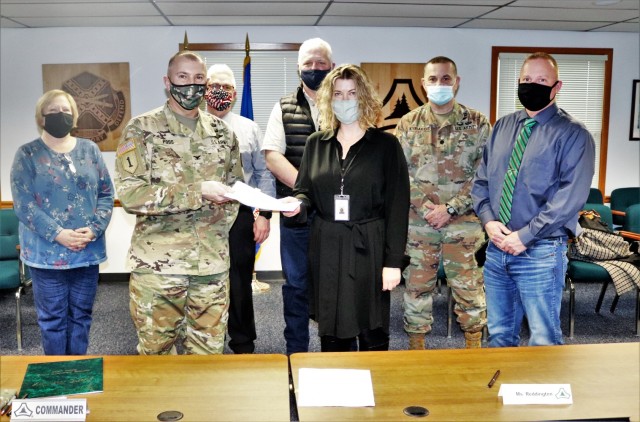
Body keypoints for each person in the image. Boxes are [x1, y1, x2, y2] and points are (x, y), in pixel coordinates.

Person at [115, 51, 243, 355]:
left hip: (211, 267)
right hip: (159, 269)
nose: (191, 85)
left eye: (199, 78)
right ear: (167, 81)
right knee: (156, 356)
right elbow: (131, 195)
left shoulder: (223, 133)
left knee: (208, 357)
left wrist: (216, 230)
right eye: (183, 77)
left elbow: (234, 190)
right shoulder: (140, 130)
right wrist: (197, 191)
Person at [282, 64, 410, 352]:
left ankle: (375, 385)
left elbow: (398, 207)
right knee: (332, 323)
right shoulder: (317, 143)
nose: (345, 100)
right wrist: (296, 206)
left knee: (371, 326)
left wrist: (393, 262)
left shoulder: (386, 146)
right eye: (338, 94)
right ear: (329, 99)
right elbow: (304, 190)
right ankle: (336, 388)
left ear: (363, 97)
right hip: (327, 244)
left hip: (371, 245)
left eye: (352, 93)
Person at [471, 52, 595, 347]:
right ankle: (501, 392)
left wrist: (524, 236)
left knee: (543, 338)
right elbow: (481, 183)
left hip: (540, 251)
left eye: (541, 80)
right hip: (497, 249)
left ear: (557, 86)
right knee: (499, 334)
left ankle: (541, 395)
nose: (532, 85)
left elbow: (569, 199)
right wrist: (489, 223)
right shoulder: (502, 126)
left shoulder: (574, 135)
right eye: (526, 79)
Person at [395, 56, 490, 350]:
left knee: (468, 288)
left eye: (446, 78)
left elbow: (486, 174)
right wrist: (428, 209)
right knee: (417, 288)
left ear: (457, 82)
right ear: (423, 84)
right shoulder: (409, 123)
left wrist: (451, 208)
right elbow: (399, 174)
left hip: (463, 225)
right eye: (433, 79)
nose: (440, 84)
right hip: (419, 225)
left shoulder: (477, 123)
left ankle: (473, 347)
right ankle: (416, 348)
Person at [10, 89, 114, 355]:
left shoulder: (90, 150)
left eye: (65, 111)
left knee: (82, 316)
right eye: (53, 112)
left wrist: (93, 230)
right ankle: (57, 377)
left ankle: (77, 370)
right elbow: (24, 205)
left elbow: (105, 193)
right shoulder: (27, 154)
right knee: (53, 320)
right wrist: (59, 234)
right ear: (41, 118)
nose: (61, 116)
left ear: (74, 116)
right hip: (47, 255)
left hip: (86, 251)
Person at [262, 38, 334, 354]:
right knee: (296, 286)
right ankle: (296, 353)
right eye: (308, 64)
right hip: (297, 214)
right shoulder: (283, 106)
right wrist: (309, 194)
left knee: (335, 284)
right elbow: (273, 157)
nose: (315, 69)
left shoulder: (346, 103)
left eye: (321, 63)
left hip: (337, 217)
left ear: (331, 66)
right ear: (298, 68)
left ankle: (335, 351)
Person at [205, 63, 276, 354]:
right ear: (204, 90)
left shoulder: (249, 128)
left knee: (239, 282)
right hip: (201, 216)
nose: (220, 92)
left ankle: (243, 342)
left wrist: (265, 216)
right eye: (213, 86)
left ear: (235, 94)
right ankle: (206, 340)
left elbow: (264, 174)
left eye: (226, 87)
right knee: (204, 282)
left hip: (240, 215)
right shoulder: (191, 126)